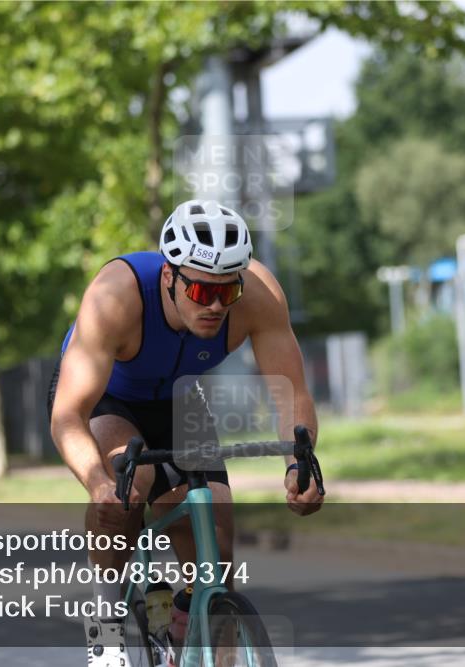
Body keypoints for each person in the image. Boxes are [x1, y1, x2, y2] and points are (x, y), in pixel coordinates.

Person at [48, 200, 324, 665]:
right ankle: (107, 621)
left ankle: (189, 624)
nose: (215, 305)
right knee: (125, 493)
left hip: (178, 399)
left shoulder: (258, 293)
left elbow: (291, 392)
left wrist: (300, 463)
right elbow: (68, 416)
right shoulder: (116, 296)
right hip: (105, 398)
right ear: (169, 278)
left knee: (216, 542)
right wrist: (98, 484)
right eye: (199, 291)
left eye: (226, 292)